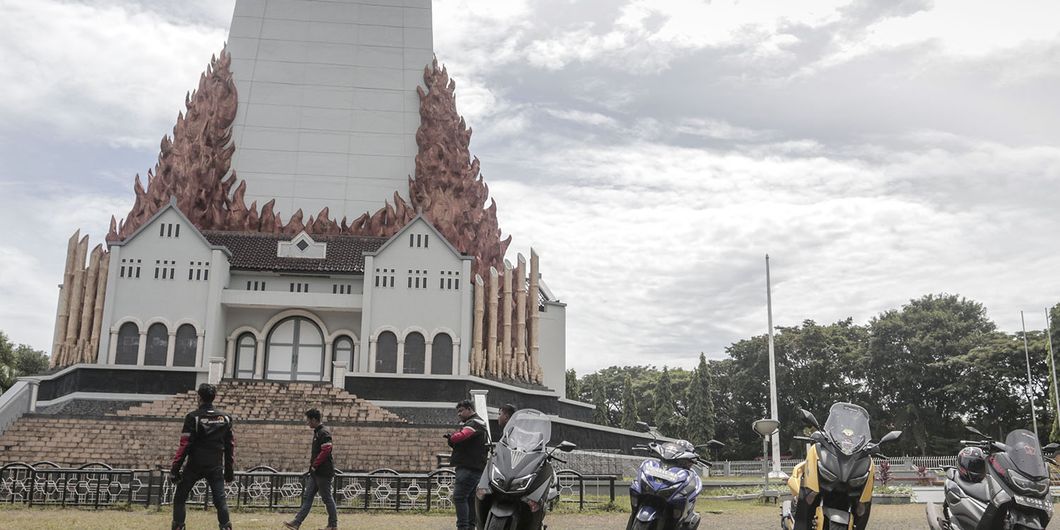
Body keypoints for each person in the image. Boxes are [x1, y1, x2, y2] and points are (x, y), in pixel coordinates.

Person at [169, 383, 235, 530]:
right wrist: (229, 472)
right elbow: (230, 446)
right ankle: (226, 527)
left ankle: (178, 527)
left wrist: (175, 469)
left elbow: (184, 445)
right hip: (215, 466)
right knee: (220, 502)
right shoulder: (225, 418)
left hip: (194, 466)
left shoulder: (193, 417)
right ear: (214, 397)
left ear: (199, 397)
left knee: (180, 498)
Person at [284, 409, 338, 530]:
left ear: (314, 419)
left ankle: (333, 525)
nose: (307, 422)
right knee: (307, 496)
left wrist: (315, 464)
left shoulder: (323, 433)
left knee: (327, 498)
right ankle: (296, 523)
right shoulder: (318, 432)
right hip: (316, 472)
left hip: (323, 472)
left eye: (308, 420)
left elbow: (326, 450)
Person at [447, 399, 488, 530]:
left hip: (468, 468)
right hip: (476, 468)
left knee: (459, 497)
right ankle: (470, 526)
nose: (459, 414)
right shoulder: (480, 422)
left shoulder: (474, 423)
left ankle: (463, 527)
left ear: (469, 409)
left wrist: (452, 438)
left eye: (461, 411)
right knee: (470, 499)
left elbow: (463, 435)